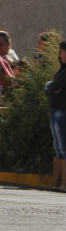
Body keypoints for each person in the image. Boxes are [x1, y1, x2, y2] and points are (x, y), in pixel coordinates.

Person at [45, 41, 66, 192]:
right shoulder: (61, 70)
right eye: (60, 52)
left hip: (63, 110)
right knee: (57, 146)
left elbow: (56, 86)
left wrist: (52, 87)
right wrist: (52, 87)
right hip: (55, 109)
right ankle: (56, 182)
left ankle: (64, 183)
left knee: (64, 146)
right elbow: (51, 87)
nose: (60, 55)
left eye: (63, 52)